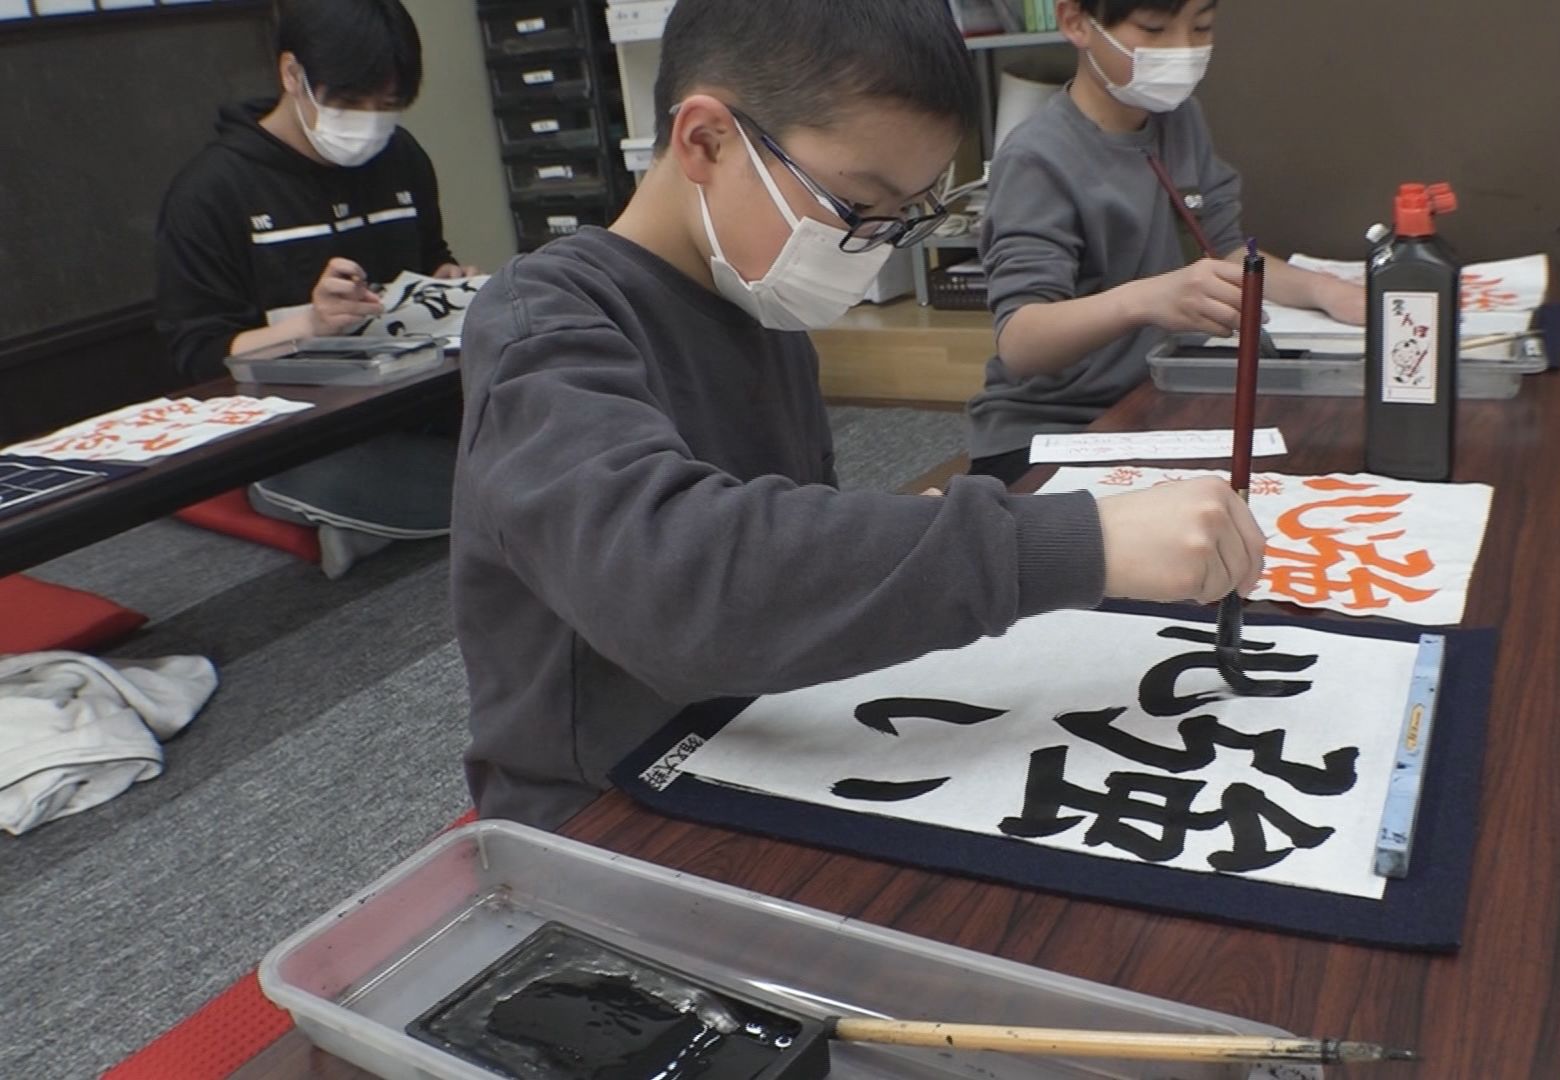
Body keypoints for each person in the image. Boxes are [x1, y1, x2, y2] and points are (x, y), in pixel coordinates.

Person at [452, 0, 1270, 829]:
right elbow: (673, 585)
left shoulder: (763, 315)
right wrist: (1072, 543)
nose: (875, 247)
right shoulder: (544, 322)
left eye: (906, 217)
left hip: (767, 734)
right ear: (706, 141)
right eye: (856, 207)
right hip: (603, 802)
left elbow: (788, 543)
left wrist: (904, 544)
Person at [965, 0, 1365, 484]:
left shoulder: (1178, 119)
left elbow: (1225, 249)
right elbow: (1021, 341)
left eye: (1201, 27)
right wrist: (1145, 300)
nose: (1183, 49)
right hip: (1056, 432)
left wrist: (1326, 290)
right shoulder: (1037, 158)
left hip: (1155, 402)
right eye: (1154, 29)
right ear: (1075, 22)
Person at [155, 0, 472, 577]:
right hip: (305, 428)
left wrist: (448, 281)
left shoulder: (401, 156)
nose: (370, 123)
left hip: (412, 396)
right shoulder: (211, 191)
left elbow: (430, 255)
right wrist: (309, 326)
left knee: (538, 402)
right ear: (291, 74)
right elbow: (199, 355)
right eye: (350, 102)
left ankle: (390, 520)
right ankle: (459, 506)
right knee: (321, 472)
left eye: (388, 106)